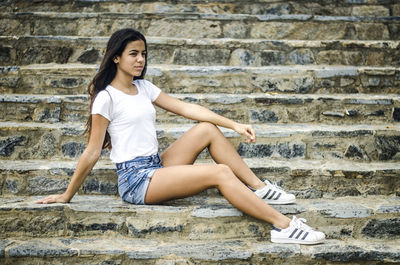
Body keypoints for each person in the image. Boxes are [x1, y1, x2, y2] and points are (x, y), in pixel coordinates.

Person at [36, 28, 325, 245]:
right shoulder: (106, 99)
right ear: (116, 57)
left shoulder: (144, 88)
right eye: (133, 54)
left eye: (143, 54)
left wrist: (234, 125)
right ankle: (283, 227)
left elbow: (188, 109)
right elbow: (91, 152)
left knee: (206, 129)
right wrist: (66, 195)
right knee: (221, 172)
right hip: (136, 180)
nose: (140, 59)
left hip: (156, 166)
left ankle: (259, 187)